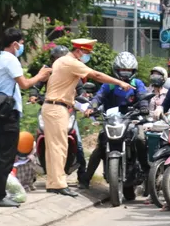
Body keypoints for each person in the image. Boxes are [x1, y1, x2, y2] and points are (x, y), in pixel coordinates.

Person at [45, 39, 128, 196]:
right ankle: (58, 184)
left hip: (54, 106)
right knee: (59, 148)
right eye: (87, 53)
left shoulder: (61, 61)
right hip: (57, 108)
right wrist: (119, 83)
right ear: (79, 51)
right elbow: (96, 75)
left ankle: (53, 182)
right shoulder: (70, 62)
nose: (87, 57)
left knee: (54, 147)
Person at [0, 29, 52, 207]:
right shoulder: (11, 60)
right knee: (6, 156)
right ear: (15, 44)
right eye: (21, 43)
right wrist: (40, 76)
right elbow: (24, 84)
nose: (22, 46)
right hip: (8, 113)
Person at [80, 52, 149, 189]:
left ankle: (146, 171)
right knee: (100, 147)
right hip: (112, 121)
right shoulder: (109, 85)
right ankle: (86, 180)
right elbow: (98, 98)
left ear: (133, 71)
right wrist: (91, 107)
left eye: (128, 70)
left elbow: (143, 96)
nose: (125, 73)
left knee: (140, 139)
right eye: (122, 70)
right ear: (116, 70)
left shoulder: (137, 83)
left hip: (132, 121)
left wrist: (144, 107)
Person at [29, 45, 88, 178]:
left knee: (77, 143)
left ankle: (83, 175)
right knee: (37, 137)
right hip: (49, 110)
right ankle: (31, 172)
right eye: (56, 59)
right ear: (52, 59)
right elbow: (35, 85)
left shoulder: (73, 71)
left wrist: (83, 96)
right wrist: (33, 94)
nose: (59, 62)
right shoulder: (47, 71)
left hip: (67, 111)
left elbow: (81, 90)